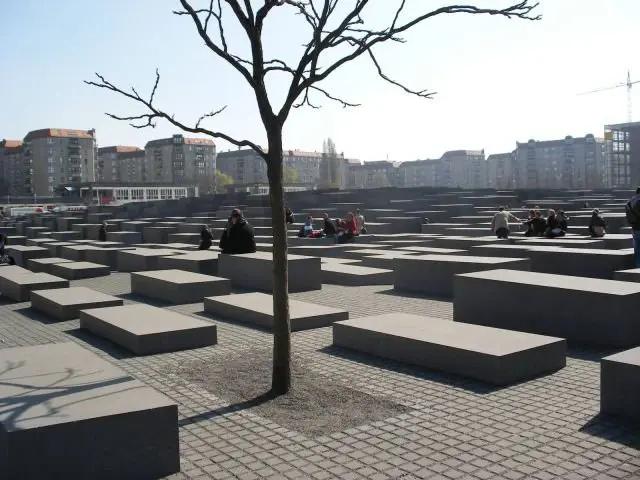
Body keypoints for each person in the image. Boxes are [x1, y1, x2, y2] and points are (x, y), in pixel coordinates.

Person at [625, 187, 640, 267]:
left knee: (637, 249)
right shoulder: (639, 201)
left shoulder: (630, 202)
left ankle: (637, 267)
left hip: (634, 228)